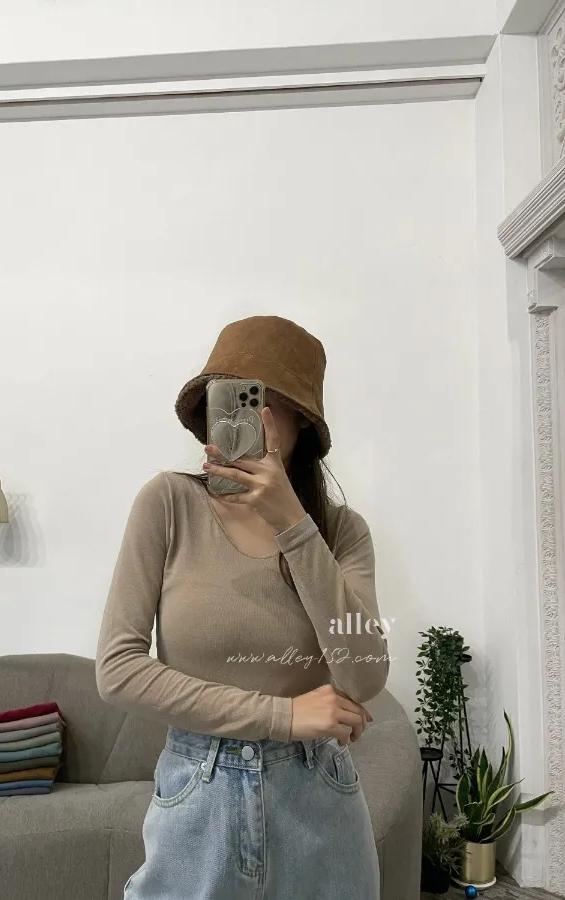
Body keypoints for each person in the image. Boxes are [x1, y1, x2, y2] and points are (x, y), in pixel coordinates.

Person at [95, 314, 390, 900]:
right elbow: (118, 669)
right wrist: (282, 715)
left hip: (317, 794)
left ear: (301, 422)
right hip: (198, 792)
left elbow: (365, 674)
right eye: (226, 399)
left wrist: (293, 525)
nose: (238, 420)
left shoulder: (340, 531)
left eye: (262, 404)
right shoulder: (168, 503)